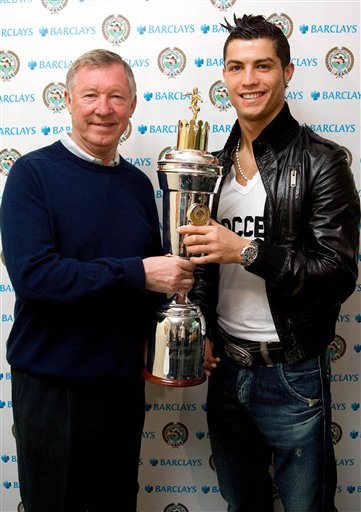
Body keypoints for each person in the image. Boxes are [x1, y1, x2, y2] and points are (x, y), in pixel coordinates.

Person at [178, 14, 360, 512]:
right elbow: (201, 261)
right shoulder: (212, 167)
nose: (249, 80)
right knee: (242, 505)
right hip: (226, 371)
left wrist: (247, 251)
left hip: (292, 372)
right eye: (236, 67)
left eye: (263, 66)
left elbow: (338, 273)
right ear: (224, 77)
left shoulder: (322, 162)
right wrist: (203, 326)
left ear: (288, 72)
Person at [0, 49, 196, 512]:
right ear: (67, 101)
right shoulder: (32, 174)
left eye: (115, 96)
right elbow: (35, 277)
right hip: (54, 388)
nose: (103, 108)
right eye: (90, 95)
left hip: (121, 387)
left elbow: (151, 285)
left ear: (132, 105)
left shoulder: (136, 185)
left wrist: (179, 337)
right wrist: (138, 272)